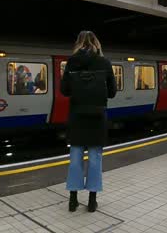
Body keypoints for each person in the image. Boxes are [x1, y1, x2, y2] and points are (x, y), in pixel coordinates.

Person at [61, 31, 117, 213]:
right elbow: (112, 92)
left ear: (78, 43)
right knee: (95, 158)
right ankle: (92, 201)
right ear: (96, 43)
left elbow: (65, 91)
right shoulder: (104, 62)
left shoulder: (71, 62)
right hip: (97, 116)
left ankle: (72, 200)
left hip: (77, 115)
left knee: (75, 157)